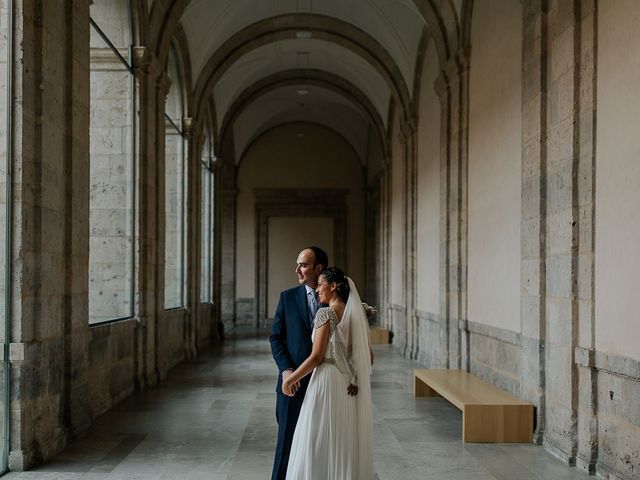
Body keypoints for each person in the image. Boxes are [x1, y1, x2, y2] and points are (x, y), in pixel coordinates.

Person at [282, 267, 373, 480]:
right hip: (347, 384)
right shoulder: (355, 314)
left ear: (333, 286)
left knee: (315, 438)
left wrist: (290, 379)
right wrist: (354, 376)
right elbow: (368, 357)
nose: (317, 290)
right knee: (342, 438)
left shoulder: (326, 313)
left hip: (325, 381)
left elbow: (316, 357)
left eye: (321, 285)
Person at [269, 246, 329, 480]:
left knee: (320, 443)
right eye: (298, 264)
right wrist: (286, 371)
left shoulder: (335, 300)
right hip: (291, 384)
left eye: (303, 265)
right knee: (286, 443)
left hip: (324, 382)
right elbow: (276, 337)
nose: (297, 270)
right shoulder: (287, 297)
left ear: (319, 268)